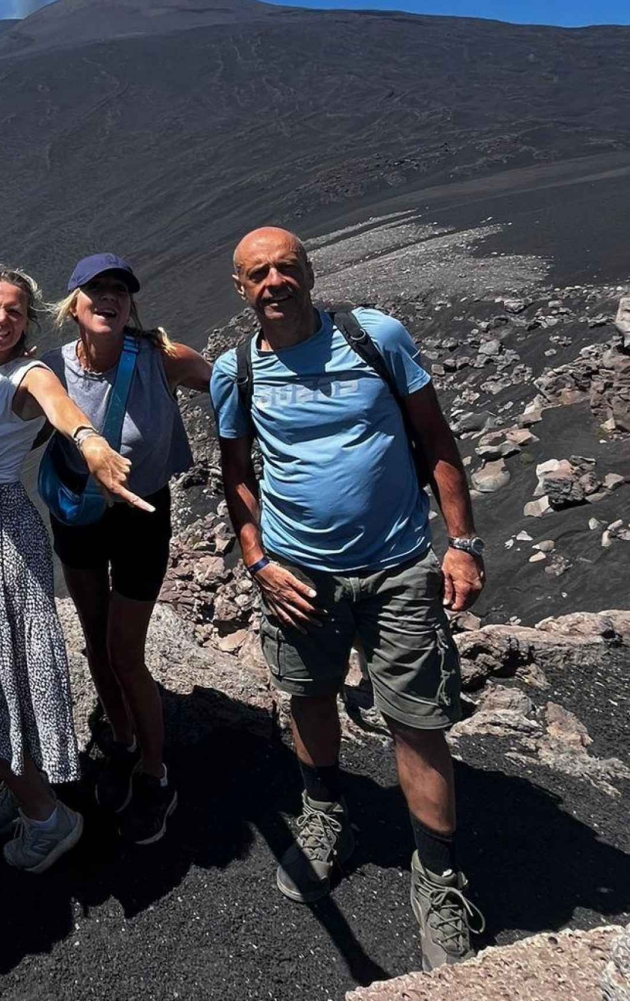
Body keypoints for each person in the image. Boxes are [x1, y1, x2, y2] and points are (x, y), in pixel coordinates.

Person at [209, 226, 485, 971]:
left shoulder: (375, 337)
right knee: (308, 696)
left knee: (417, 721)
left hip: (397, 567)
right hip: (298, 575)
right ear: (241, 288)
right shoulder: (237, 370)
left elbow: (436, 439)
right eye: (258, 273)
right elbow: (237, 474)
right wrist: (257, 560)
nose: (274, 281)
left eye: (285, 267)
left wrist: (462, 542)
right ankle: (327, 814)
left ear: (309, 271)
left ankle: (439, 878)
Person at [0, 134, 140, 873]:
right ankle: (15, 780)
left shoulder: (28, 374)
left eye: (15, 312)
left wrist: (91, 444)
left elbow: (62, 408)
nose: (0, 318)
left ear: (29, 322)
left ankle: (48, 816)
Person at [42, 253, 211, 846]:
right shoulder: (51, 368)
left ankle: (154, 772)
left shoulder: (159, 358)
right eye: (96, 289)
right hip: (79, 515)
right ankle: (121, 738)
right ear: (74, 305)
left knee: (123, 650)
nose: (109, 297)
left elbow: (226, 383)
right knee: (95, 641)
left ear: (131, 304)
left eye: (120, 289)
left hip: (142, 517)